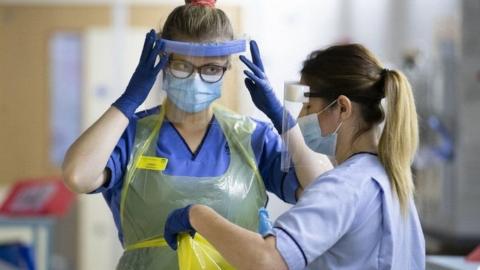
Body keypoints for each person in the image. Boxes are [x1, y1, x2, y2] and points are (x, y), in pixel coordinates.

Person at [62, 0, 331, 269]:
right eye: (182, 66)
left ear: (226, 69)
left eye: (211, 69)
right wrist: (129, 100)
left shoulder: (252, 137)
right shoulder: (133, 135)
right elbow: (77, 175)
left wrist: (281, 120)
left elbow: (324, 194)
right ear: (163, 64)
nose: (196, 79)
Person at [164, 42, 426, 269]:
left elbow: (268, 262)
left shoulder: (345, 186)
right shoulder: (390, 180)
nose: (300, 119)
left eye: (308, 106)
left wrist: (196, 215)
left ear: (343, 108)